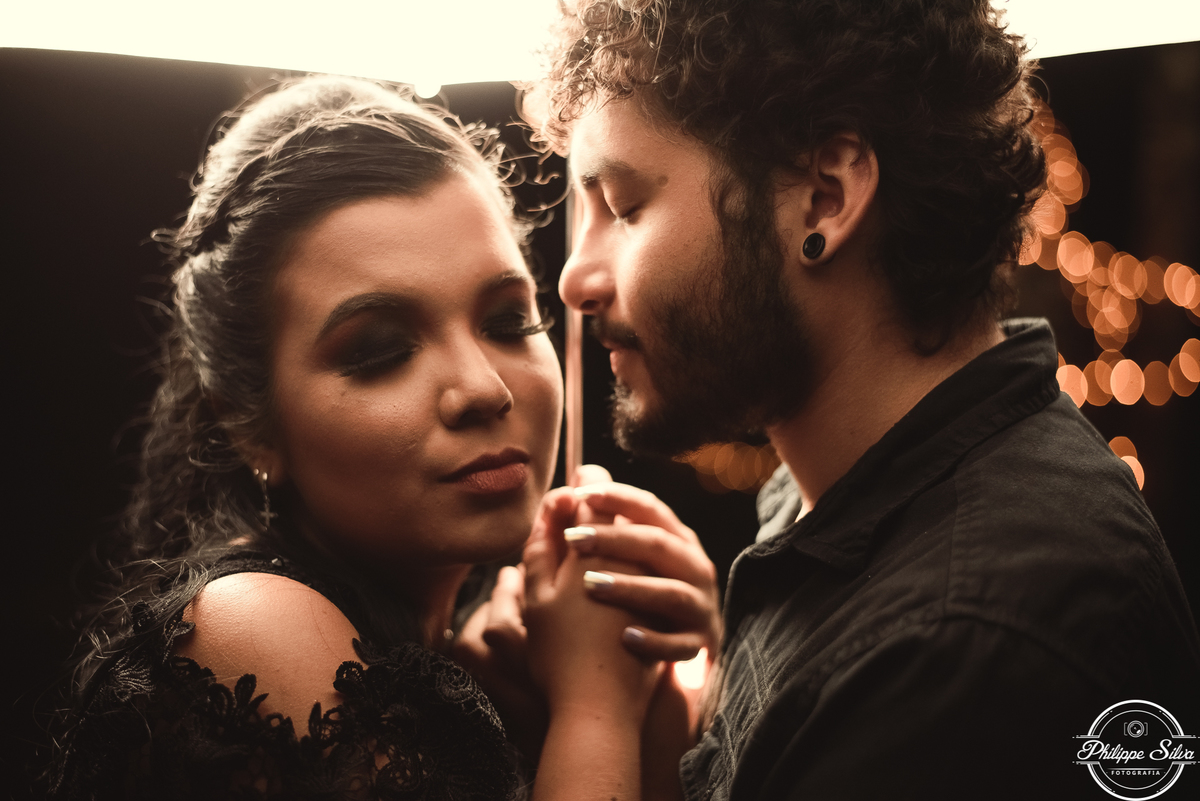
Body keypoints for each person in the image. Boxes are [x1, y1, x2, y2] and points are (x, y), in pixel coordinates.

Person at [513, 0, 1200, 798]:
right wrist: (676, 683)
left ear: (826, 198)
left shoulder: (953, 652)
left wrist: (591, 704)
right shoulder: (837, 490)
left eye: (625, 207)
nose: (575, 278)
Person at [48, 74, 685, 801]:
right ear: (249, 425)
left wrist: (662, 673)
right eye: (381, 350)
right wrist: (596, 702)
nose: (484, 389)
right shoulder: (251, 626)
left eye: (508, 321)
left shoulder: (471, 656)